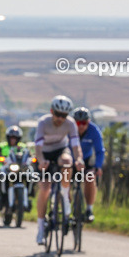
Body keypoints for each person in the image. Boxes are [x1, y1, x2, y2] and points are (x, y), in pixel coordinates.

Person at [33, 95, 84, 245]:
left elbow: (76, 146)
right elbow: (38, 147)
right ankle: (41, 228)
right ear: (52, 111)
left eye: (64, 115)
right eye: (58, 114)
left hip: (60, 150)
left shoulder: (70, 123)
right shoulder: (43, 122)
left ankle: (65, 195)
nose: (60, 118)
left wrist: (79, 159)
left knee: (67, 161)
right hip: (44, 153)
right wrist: (41, 161)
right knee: (44, 189)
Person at [73, 107, 105, 223]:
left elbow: (100, 151)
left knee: (90, 178)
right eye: (78, 123)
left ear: (88, 122)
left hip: (86, 161)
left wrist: (98, 166)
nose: (81, 126)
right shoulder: (69, 130)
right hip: (70, 161)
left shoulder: (94, 131)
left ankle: (89, 209)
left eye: (84, 123)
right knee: (63, 179)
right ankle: (65, 206)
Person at [0, 125, 30, 211]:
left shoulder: (23, 147)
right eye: (11, 138)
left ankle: (28, 196)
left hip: (20, 170)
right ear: (8, 138)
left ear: (18, 139)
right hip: (5, 169)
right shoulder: (2, 146)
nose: (13, 140)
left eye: (15, 138)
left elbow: (28, 156)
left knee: (31, 175)